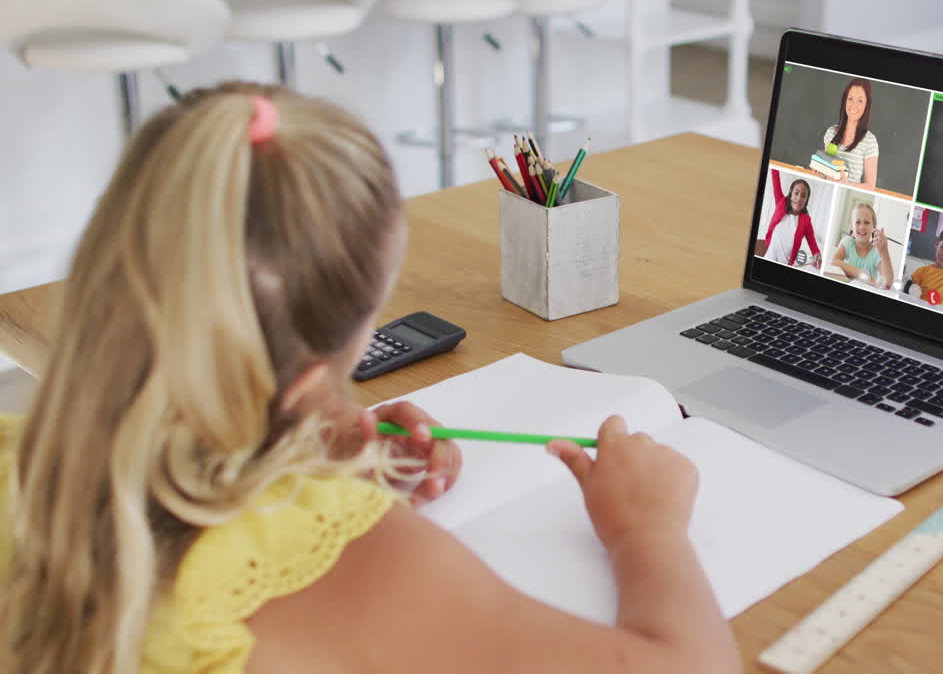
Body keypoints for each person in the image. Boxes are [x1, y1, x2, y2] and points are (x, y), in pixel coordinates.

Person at [0, 83, 740, 674]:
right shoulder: (348, 565)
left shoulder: (17, 461)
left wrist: (293, 457)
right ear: (305, 381)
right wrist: (646, 529)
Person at [814, 77, 879, 188]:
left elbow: (871, 186)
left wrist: (847, 184)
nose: (854, 105)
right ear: (845, 101)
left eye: (860, 100)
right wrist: (821, 173)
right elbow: (827, 170)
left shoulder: (870, 141)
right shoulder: (831, 133)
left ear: (866, 105)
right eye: (850, 98)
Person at [763, 178, 821, 269]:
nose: (799, 198)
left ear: (806, 201)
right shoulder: (780, 203)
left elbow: (812, 243)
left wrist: (817, 255)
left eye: (803, 196)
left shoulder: (806, 220)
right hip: (767, 260)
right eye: (796, 193)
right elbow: (775, 177)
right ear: (791, 194)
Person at [833, 201, 894, 288]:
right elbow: (834, 262)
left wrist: (884, 250)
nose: (862, 227)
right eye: (858, 222)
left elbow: (887, 283)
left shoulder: (877, 252)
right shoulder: (847, 243)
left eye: (867, 222)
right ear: (851, 227)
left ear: (874, 227)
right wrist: (860, 273)